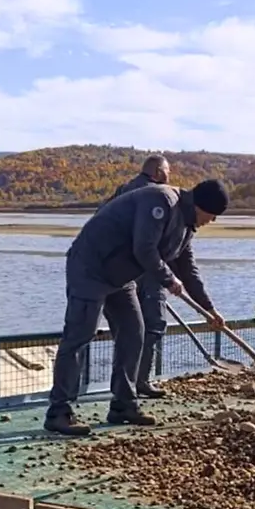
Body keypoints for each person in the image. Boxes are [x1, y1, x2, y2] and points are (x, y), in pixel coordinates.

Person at [44, 179, 229, 436]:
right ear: (201, 205)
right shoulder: (161, 202)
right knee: (79, 335)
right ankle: (59, 412)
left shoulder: (186, 227)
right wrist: (168, 279)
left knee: (134, 332)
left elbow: (188, 270)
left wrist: (209, 309)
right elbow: (144, 249)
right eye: (213, 215)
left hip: (120, 276)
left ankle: (123, 405)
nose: (213, 221)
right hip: (91, 268)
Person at [103, 155, 172, 398]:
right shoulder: (160, 195)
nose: (170, 175)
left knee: (127, 329)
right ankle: (140, 380)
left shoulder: (122, 191)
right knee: (153, 325)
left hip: (118, 270)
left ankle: (123, 385)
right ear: (158, 172)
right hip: (148, 269)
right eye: (168, 170)